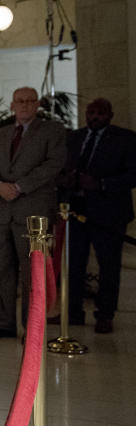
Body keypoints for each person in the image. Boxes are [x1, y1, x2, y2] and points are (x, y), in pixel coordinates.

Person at [0, 87, 65, 339]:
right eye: (20, 101)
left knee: (32, 271)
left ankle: (32, 328)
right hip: (3, 212)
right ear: (12, 105)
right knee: (3, 269)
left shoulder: (52, 131)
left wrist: (19, 186)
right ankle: (4, 323)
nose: (25, 105)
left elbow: (54, 164)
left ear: (38, 104)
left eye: (30, 101)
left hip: (33, 210)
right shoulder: (1, 134)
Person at [54, 98, 136, 334]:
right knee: (74, 264)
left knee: (109, 265)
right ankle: (74, 312)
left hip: (109, 214)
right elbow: (61, 167)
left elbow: (133, 175)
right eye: (91, 112)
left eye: (100, 113)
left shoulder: (126, 139)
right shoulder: (75, 137)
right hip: (75, 210)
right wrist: (64, 180)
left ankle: (105, 314)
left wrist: (101, 184)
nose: (95, 117)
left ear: (110, 115)